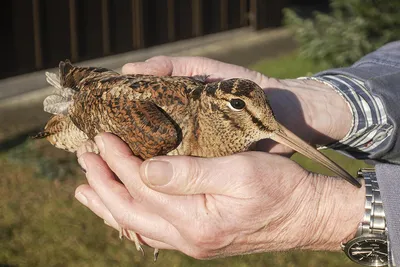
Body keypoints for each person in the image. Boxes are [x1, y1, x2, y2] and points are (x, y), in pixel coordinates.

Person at [74, 41, 400, 266]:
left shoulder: (230, 128)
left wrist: (324, 215)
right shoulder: (167, 130)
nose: (273, 127)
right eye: (240, 108)